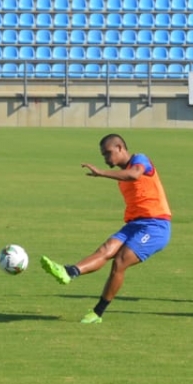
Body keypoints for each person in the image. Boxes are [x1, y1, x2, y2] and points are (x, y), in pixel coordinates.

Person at [39, 134, 172, 324]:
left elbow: (134, 174)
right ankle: (69, 272)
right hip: (135, 224)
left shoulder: (140, 159)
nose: (106, 159)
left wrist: (101, 173)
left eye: (108, 153)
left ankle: (98, 312)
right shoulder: (121, 174)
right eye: (103, 155)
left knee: (119, 262)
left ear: (120, 147)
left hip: (156, 226)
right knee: (105, 249)